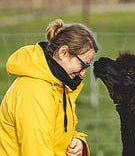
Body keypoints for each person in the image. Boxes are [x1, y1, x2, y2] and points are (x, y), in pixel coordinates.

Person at [0, 19, 98, 156]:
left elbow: (58, 133)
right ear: (63, 52)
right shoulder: (35, 93)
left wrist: (79, 143)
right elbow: (36, 151)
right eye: (83, 65)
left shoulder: (57, 86)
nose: (82, 74)